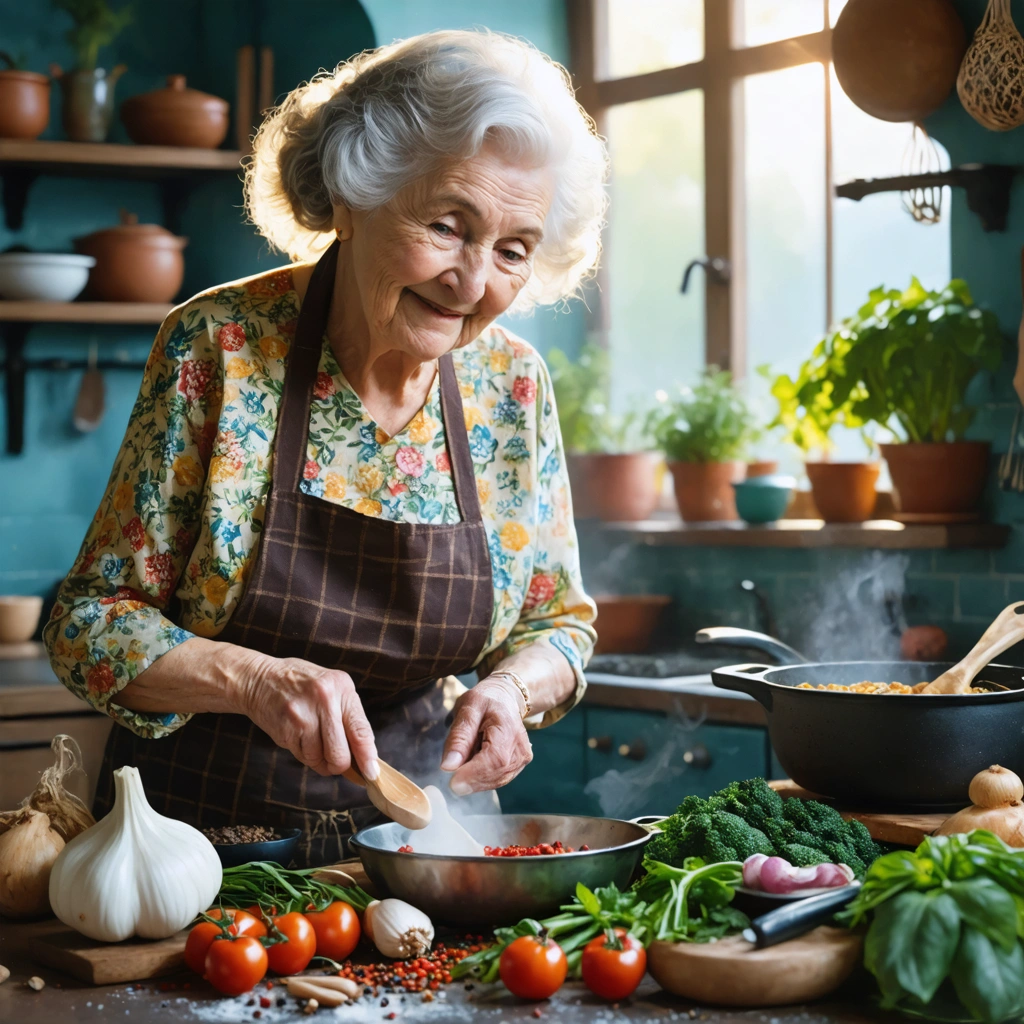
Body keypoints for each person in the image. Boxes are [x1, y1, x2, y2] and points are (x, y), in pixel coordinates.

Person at [44, 29, 606, 864]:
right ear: (352, 197)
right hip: (197, 855)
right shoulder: (220, 347)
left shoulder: (511, 388)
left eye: (513, 251)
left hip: (420, 853)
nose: (474, 280)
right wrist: (255, 680)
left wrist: (512, 689)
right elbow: (86, 625)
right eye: (449, 226)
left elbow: (560, 623)